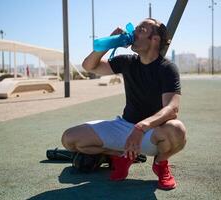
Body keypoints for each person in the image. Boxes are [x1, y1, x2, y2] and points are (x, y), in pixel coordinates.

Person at [61, 18, 186, 190]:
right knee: (70, 139)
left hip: (152, 133)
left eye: (141, 30)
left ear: (154, 39)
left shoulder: (167, 68)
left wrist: (142, 126)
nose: (133, 33)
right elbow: (89, 66)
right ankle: (123, 155)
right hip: (124, 127)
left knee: (177, 130)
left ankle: (160, 163)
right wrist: (109, 42)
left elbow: (172, 108)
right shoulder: (127, 61)